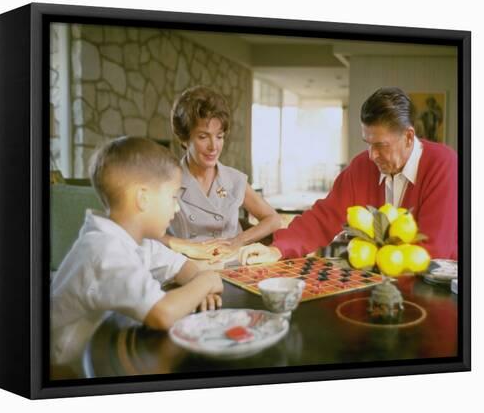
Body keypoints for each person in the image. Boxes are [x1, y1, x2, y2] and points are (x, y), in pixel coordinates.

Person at [51, 137, 223, 370]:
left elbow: (179, 265)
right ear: (143, 198)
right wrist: (206, 281)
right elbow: (162, 314)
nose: (177, 207)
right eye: (173, 196)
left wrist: (195, 285)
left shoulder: (133, 241)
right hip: (66, 368)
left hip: (107, 341)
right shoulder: (105, 251)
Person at [239, 87, 457, 265]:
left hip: (437, 287)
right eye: (368, 144)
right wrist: (278, 249)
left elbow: (434, 250)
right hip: (379, 283)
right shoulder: (362, 166)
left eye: (381, 145)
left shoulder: (443, 164)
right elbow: (323, 218)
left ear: (409, 137)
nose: (372, 156)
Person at [162, 86, 281, 260]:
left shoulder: (234, 179)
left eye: (219, 136)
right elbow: (144, 233)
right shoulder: (166, 180)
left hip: (233, 267)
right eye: (203, 137)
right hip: (186, 267)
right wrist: (185, 246)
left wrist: (239, 240)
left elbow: (273, 219)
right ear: (184, 139)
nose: (213, 146)